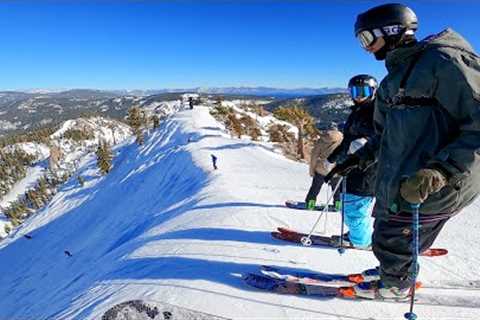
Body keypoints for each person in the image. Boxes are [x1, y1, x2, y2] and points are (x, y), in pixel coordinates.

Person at [329, 3, 480, 299]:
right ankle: (396, 269)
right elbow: (384, 136)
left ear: (391, 30)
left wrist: (440, 171)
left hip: (445, 177)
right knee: (389, 227)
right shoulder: (392, 81)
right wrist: (358, 159)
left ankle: (396, 284)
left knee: (392, 235)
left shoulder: (445, 62)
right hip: (405, 175)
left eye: (367, 39)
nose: (365, 48)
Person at [326, 74, 378, 249]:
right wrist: (332, 159)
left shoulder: (378, 111)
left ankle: (361, 241)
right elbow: (347, 140)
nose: (358, 95)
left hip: (368, 169)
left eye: (363, 91)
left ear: (373, 91)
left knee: (355, 208)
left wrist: (365, 143)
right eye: (355, 91)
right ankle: (357, 232)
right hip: (352, 166)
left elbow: (384, 137)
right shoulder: (357, 112)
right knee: (349, 204)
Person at [305, 128, 343, 210]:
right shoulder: (342, 140)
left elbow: (314, 156)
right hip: (336, 169)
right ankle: (337, 204)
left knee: (315, 187)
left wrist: (312, 171)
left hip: (321, 168)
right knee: (336, 189)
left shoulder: (321, 140)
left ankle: (310, 204)